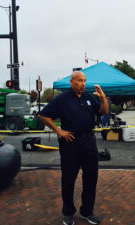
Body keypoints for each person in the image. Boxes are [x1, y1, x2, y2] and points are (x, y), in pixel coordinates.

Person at [39, 71, 108, 225]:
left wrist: (102, 97)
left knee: (91, 178)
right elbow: (43, 115)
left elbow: (104, 111)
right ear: (71, 82)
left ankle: (87, 211)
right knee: (68, 180)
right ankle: (68, 212)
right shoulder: (63, 99)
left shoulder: (88, 97)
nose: (83, 83)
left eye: (84, 80)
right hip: (70, 143)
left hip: (89, 142)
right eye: (79, 80)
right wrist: (58, 131)